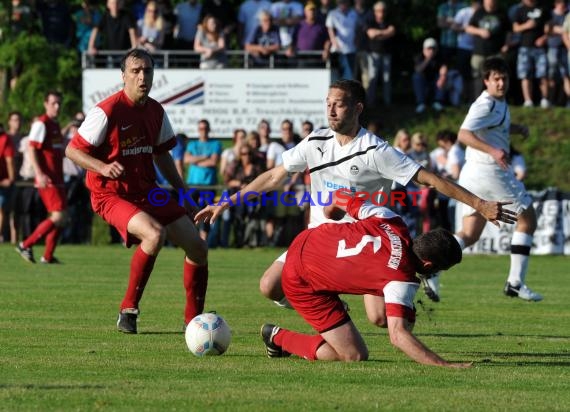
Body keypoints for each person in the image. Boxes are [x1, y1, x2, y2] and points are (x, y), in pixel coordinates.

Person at [195, 79, 516, 314]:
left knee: (379, 318)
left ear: (357, 108)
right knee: (269, 287)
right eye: (328, 102)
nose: (331, 109)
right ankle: (331, 306)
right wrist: (226, 202)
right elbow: (274, 176)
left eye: (340, 103)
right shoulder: (315, 141)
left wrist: (480, 204)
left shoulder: (377, 150)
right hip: (318, 241)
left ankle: (407, 304)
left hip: (365, 244)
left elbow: (430, 179)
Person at [65, 49, 209, 334]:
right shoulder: (106, 111)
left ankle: (194, 322)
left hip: (146, 191)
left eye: (147, 71)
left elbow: (162, 156)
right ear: (123, 76)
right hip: (110, 193)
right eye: (135, 71)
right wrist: (103, 168)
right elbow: (72, 150)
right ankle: (128, 310)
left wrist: (183, 193)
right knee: (154, 235)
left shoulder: (156, 111)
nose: (142, 77)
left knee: (198, 246)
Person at [259, 192, 471, 366]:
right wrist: (443, 364)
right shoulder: (401, 280)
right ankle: (278, 338)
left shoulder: (391, 219)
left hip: (309, 238)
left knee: (377, 313)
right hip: (301, 280)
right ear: (428, 265)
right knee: (354, 355)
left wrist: (330, 212)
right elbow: (397, 336)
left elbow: (340, 196)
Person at [424, 56, 542, 303]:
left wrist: (516, 128)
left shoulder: (498, 104)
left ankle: (431, 268)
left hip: (473, 173)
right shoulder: (485, 104)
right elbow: (464, 134)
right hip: (490, 170)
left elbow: (493, 127)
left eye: (504, 78)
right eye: (496, 79)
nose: (501, 83)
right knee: (527, 220)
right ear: (486, 81)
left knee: (469, 234)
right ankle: (515, 282)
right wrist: (494, 150)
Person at [15, 91, 67, 264]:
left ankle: (48, 256)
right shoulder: (41, 123)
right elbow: (32, 149)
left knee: (62, 217)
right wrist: (39, 173)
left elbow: (57, 151)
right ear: (45, 104)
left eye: (59, 103)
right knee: (58, 217)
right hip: (48, 179)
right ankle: (25, 244)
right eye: (53, 103)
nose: (57, 107)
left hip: (58, 178)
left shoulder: (55, 124)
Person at [512, 0, 549, 108]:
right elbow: (515, 28)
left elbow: (549, 26)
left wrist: (544, 38)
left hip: (540, 47)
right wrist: (527, 25)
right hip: (524, 47)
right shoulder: (519, 10)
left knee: (543, 74)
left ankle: (545, 100)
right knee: (525, 75)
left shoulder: (543, 8)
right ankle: (528, 101)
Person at [0, 123, 16, 243]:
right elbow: (9, 160)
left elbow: (9, 159)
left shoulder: (4, 139)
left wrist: (10, 178)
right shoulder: (5, 138)